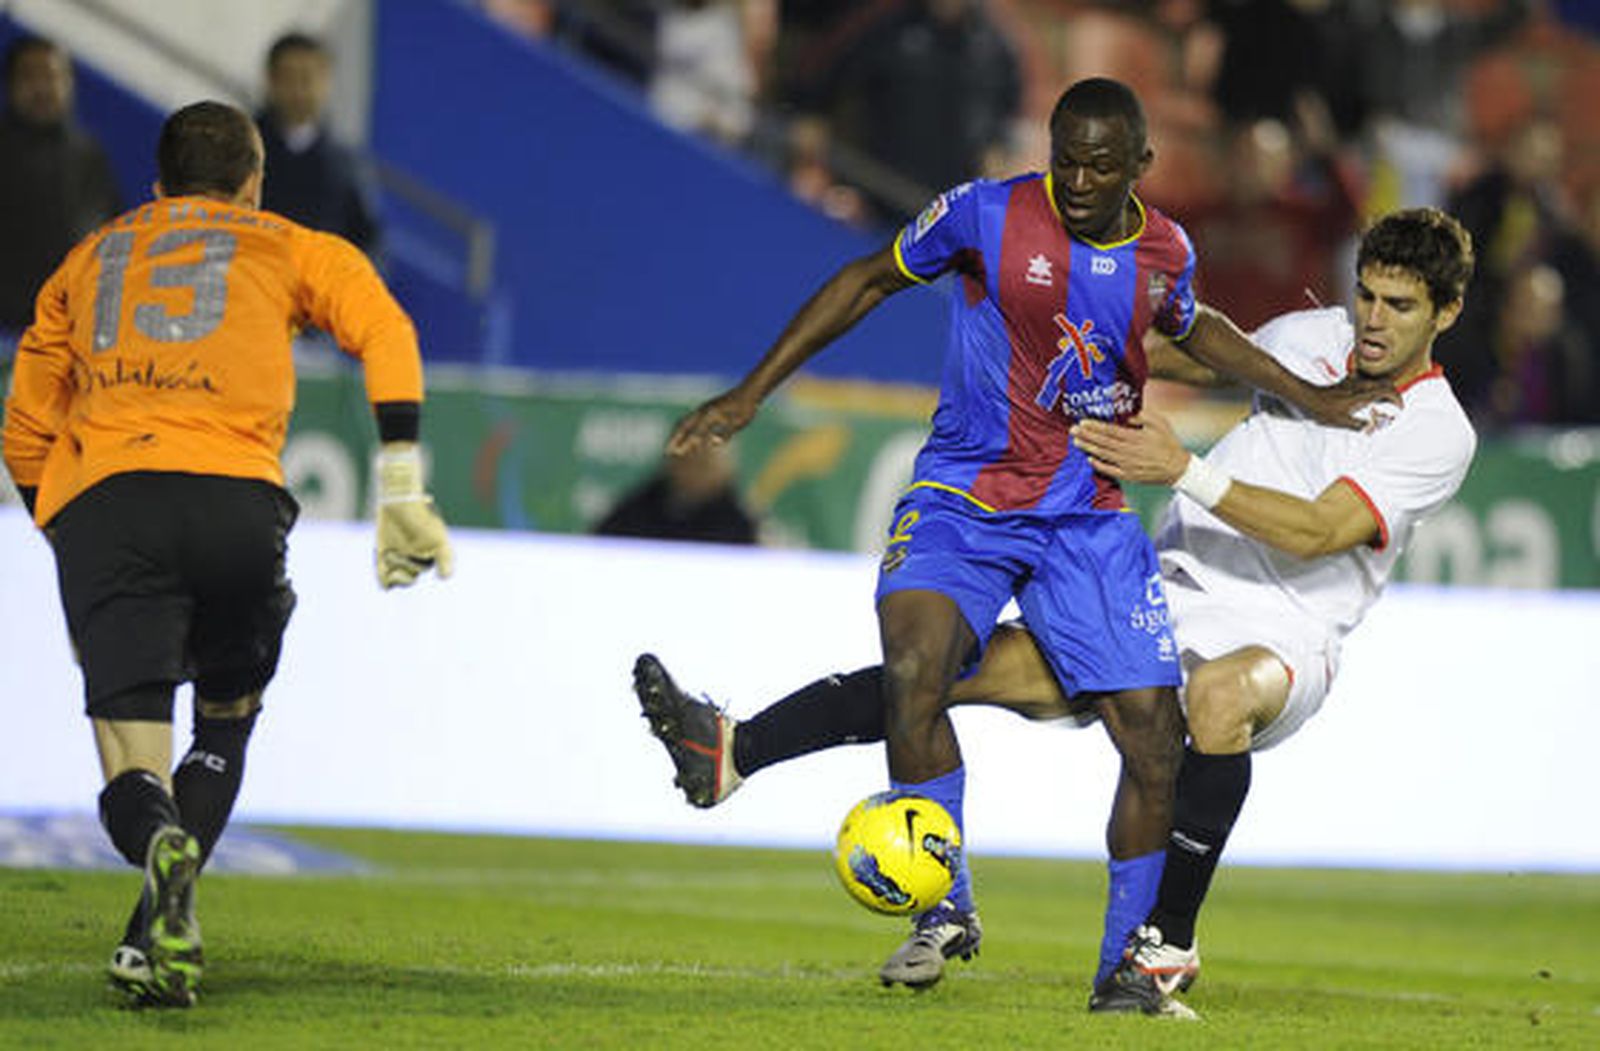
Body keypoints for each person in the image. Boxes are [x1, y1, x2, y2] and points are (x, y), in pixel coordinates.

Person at [636, 206, 1477, 1018]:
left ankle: (1168, 942)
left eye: (1398, 306)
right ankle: (733, 750)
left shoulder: (1439, 431)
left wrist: (1179, 466)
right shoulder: (1309, 340)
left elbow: (1320, 530)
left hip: (1284, 634)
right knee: (943, 675)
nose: (1371, 318)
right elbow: (1190, 349)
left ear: (1446, 312)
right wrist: (1086, 346)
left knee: (1216, 699)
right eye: (1366, 292)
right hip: (1173, 593)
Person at [1, 100, 453, 1007]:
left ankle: (156, 839)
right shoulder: (289, 243)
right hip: (237, 504)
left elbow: (23, 430)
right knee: (227, 717)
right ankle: (149, 936)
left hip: (108, 499)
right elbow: (389, 332)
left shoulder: (84, 262)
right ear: (255, 180)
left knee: (133, 760)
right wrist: (401, 483)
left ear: (156, 184)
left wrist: (76, 546)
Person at [0, 35, 123, 332]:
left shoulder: (90, 157)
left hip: (59, 333)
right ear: (11, 85)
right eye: (30, 76)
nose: (42, 87)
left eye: (52, 76)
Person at [256, 33, 383, 258]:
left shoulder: (346, 164)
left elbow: (368, 239)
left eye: (307, 78)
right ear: (271, 81)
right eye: (288, 77)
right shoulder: (239, 151)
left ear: (326, 81)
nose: (298, 90)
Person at [595, 441, 758, 544]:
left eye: (704, 464)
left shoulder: (740, 524)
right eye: (689, 460)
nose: (695, 472)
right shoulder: (634, 512)